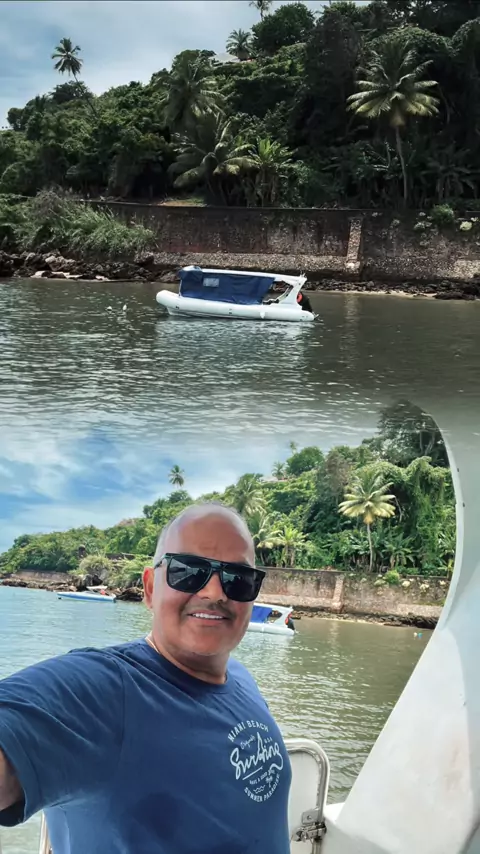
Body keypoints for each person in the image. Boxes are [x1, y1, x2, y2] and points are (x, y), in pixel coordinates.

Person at [0, 503, 292, 854]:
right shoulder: (106, 689)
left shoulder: (242, 679)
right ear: (150, 588)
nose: (215, 593)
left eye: (238, 578)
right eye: (189, 571)